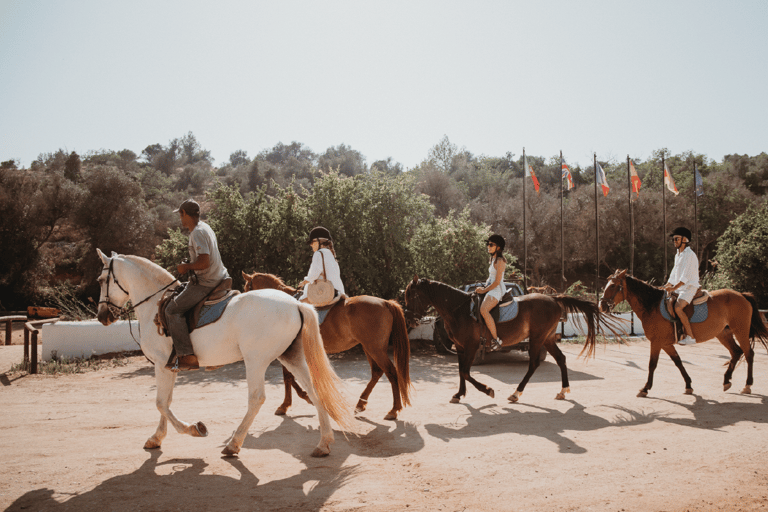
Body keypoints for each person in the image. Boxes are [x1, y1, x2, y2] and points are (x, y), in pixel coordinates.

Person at [164, 199, 229, 371]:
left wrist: (186, 267)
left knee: (172, 310)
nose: (180, 218)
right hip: (219, 276)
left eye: (180, 214)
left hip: (206, 281)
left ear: (184, 213)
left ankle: (187, 355)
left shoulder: (197, 233)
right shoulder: (204, 228)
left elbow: (204, 262)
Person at [662, 227, 700, 346]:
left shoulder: (689, 255)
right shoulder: (678, 255)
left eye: (676, 238)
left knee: (678, 307)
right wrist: (667, 285)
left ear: (685, 240)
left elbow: (685, 276)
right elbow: (674, 273)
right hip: (680, 288)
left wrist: (673, 288)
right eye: (674, 239)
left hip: (690, 287)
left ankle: (690, 336)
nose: (674, 241)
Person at [298, 226, 345, 303]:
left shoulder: (318, 254)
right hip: (338, 291)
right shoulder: (331, 255)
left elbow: (313, 275)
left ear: (318, 241)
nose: (311, 245)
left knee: (299, 304)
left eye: (312, 242)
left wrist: (303, 282)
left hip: (324, 291)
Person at [477, 234, 507, 351]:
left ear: (498, 247)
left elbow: (497, 281)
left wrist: (484, 290)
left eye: (491, 244)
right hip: (491, 288)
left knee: (483, 310)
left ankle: (496, 340)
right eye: (487, 244)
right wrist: (483, 287)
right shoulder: (493, 259)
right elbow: (491, 278)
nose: (488, 246)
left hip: (497, 290)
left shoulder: (500, 260)